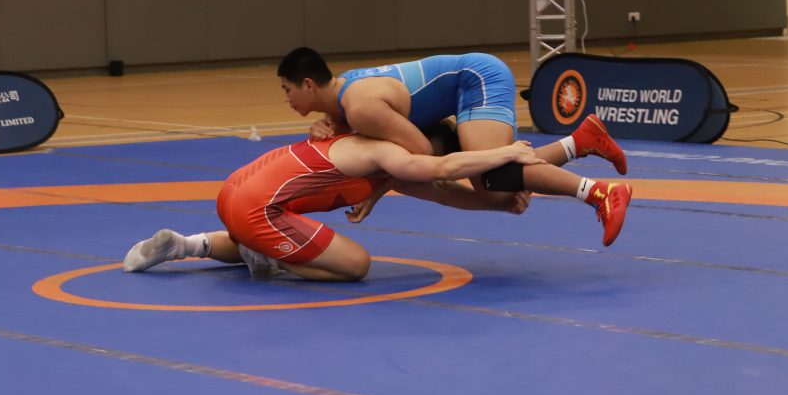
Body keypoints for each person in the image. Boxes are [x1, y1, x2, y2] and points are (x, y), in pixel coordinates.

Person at [124, 121, 634, 283]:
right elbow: (443, 172)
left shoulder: (380, 160)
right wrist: (504, 150)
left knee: (492, 182)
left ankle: (186, 245)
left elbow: (448, 194)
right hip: (259, 212)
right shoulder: (386, 153)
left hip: (237, 193)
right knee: (355, 266)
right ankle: (269, 259)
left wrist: (500, 206)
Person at [275, 47, 630, 245]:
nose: (286, 99)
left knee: (492, 174)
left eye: (287, 90)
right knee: (491, 182)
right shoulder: (344, 100)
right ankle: (581, 141)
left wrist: (376, 191)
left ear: (308, 85)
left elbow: (420, 151)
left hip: (476, 79)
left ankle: (599, 192)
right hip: (458, 93)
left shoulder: (358, 108)